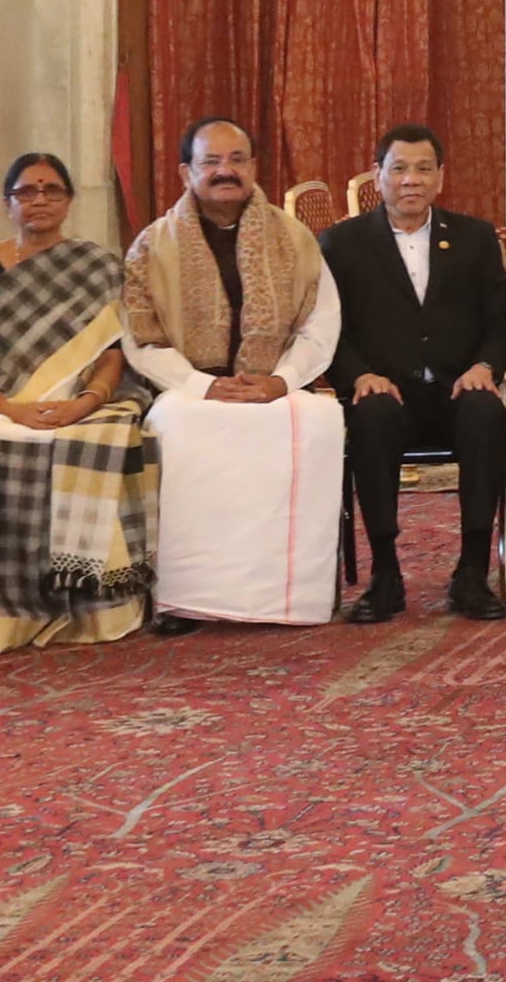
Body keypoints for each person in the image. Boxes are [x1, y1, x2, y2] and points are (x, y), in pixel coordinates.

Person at [123, 118, 343, 630]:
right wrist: (202, 385)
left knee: (317, 423)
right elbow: (141, 336)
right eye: (211, 162)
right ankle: (184, 600)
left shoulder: (295, 239)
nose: (226, 172)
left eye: (237, 160)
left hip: (272, 385)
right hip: (189, 387)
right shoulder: (152, 245)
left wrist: (281, 381)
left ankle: (292, 595)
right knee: (173, 424)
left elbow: (321, 322)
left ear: (253, 167)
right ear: (185, 172)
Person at [0, 150, 153, 655]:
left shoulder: (97, 265)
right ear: (7, 203)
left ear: (69, 200)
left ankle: (92, 609)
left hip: (84, 402)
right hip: (0, 403)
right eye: (25, 191)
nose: (39, 200)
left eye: (51, 190)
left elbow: (111, 353)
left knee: (103, 440)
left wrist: (85, 403)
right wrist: (8, 408)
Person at [320, 122, 506, 624]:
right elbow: (327, 328)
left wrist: (485, 366)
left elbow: (502, 323)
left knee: (485, 413)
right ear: (377, 175)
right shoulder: (342, 244)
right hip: (387, 392)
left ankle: (472, 570)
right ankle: (385, 573)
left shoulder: (474, 238)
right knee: (371, 416)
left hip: (456, 390)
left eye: (423, 169)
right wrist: (359, 375)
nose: (411, 180)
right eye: (399, 169)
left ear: (440, 177)